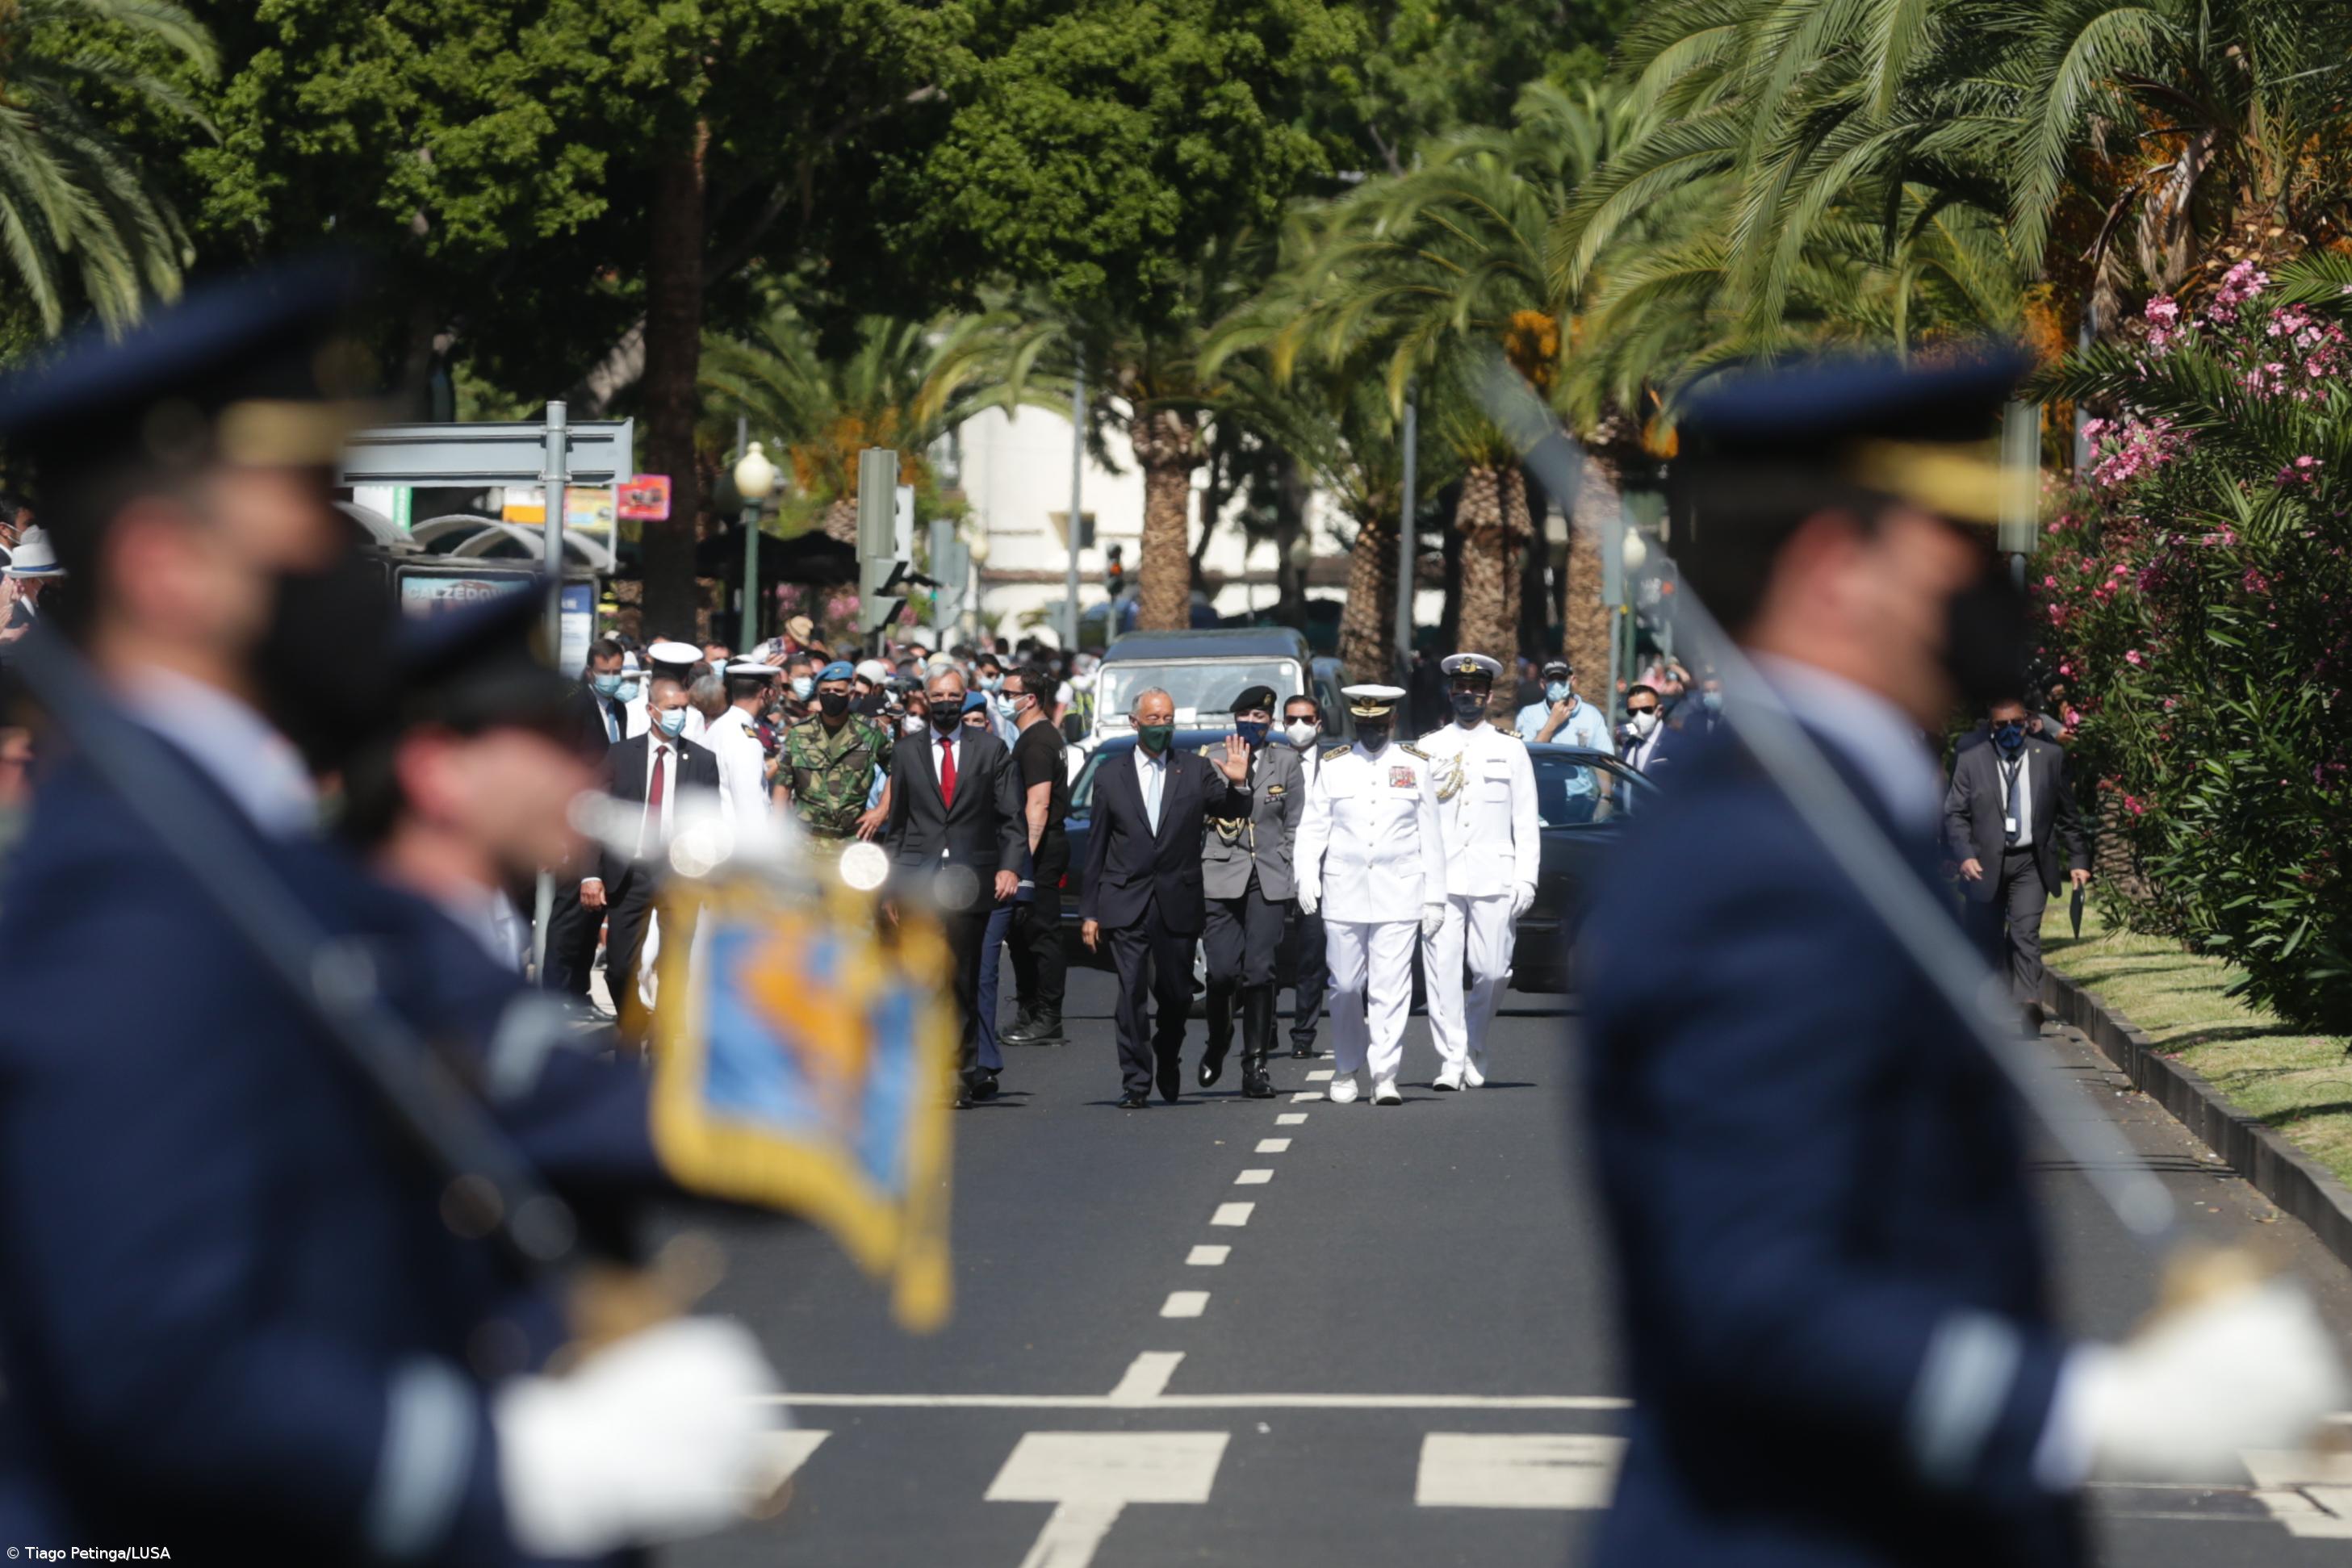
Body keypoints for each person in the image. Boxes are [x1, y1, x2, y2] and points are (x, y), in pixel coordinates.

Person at [0, 264, 778, 1561]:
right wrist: (512, 1474)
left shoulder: (227, 839)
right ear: (164, 566)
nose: (350, 548)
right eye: (305, 505)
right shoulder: (123, 896)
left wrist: (781, 1087)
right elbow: (156, 1361)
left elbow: (488, 1085)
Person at [1579, 348, 2340, 1568]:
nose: (2001, 587)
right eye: (1960, 546)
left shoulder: (1830, 813)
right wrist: (2096, 1407)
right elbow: (1751, 1288)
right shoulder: (1760, 862)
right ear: (1836, 566)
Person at [1078, 688, 1252, 1107]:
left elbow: (1233, 810)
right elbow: (1097, 846)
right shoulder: (1109, 774)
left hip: (1177, 898)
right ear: (1134, 722)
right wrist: (1090, 911)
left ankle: (1167, 1051)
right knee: (1132, 991)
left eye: (1168, 718)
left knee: (1175, 994)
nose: (1162, 726)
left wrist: (1239, 781)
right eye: (1153, 719)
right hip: (1125, 899)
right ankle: (1136, 1082)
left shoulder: (1193, 770)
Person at [1294, 684, 1446, 1106]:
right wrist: (1306, 874)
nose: (1372, 733)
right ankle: (1346, 1065)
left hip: (1399, 891)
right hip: (1344, 891)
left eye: (1379, 725)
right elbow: (1313, 827)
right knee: (1344, 985)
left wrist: (1434, 896)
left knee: (1390, 988)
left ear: (1393, 722)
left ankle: (1384, 1075)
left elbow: (1431, 836)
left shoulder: (1415, 764)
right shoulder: (1336, 764)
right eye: (1364, 725)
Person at [882, 665, 1027, 1107]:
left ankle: (959, 1071)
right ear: (926, 699)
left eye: (954, 695)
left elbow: (1011, 819)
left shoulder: (991, 750)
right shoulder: (905, 753)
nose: (946, 702)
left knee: (961, 977)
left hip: (971, 878)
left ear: (965, 698)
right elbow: (898, 823)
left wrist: (1010, 868)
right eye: (938, 696)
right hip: (917, 878)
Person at [1416, 654, 1539, 1090]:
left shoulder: (1511, 749)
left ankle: (1474, 1040)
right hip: (1442, 878)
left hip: (1494, 876)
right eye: (1460, 689)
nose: (1468, 696)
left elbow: (1525, 820)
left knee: (1491, 971)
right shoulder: (1428, 748)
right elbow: (1416, 821)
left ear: (1488, 695)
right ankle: (1451, 1059)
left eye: (1476, 690)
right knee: (1442, 972)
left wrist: (1526, 877)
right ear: (1451, 693)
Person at [1944, 696, 2091, 1029]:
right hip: (1983, 862)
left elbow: (2068, 814)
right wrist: (1965, 854)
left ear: (2026, 722)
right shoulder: (1972, 760)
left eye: (2016, 724)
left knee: (2026, 932)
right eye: (2001, 726)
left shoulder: (2049, 757)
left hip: (2031, 861)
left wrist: (2079, 860)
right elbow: (1955, 813)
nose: (2010, 731)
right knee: (1989, 937)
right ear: (1990, 727)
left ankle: (2028, 1005)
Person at [590, 671, 722, 1033]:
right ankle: (633, 1020)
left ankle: (667, 1036)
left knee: (676, 962)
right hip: (629, 874)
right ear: (652, 710)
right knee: (618, 966)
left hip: (679, 877)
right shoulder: (619, 756)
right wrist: (592, 873)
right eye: (671, 707)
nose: (679, 714)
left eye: (684, 707)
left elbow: (711, 823)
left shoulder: (701, 761)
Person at [1197, 683, 1307, 1099]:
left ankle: (1255, 1065)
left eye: (1260, 717)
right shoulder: (1211, 758)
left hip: (1270, 876)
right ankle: (1218, 1040)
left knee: (1261, 971)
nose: (1252, 723)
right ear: (1235, 720)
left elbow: (1296, 823)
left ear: (1271, 722)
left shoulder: (1286, 762)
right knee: (1222, 972)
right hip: (1221, 874)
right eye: (1245, 717)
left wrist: (1294, 872)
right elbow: (1201, 814)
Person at [539, 635, 630, 999]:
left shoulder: (619, 709)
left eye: (618, 671)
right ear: (591, 671)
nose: (612, 677)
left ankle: (578, 992)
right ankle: (555, 995)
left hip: (605, 818)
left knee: (594, 912)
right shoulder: (574, 704)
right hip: (575, 819)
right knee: (570, 912)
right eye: (606, 672)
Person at [1000, 663, 1073, 1048]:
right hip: (1036, 849)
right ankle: (1029, 1009)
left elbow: (1038, 804)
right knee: (1023, 931)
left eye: (1009, 694)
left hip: (1040, 851)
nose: (1003, 700)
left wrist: (1019, 860)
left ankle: (1048, 1015)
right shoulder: (1034, 737)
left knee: (1041, 932)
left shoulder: (1038, 742)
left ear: (1029, 699)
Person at [779, 659, 894, 847]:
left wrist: (882, 810)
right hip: (803, 843)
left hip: (850, 842)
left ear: (851, 694)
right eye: (826, 692)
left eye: (839, 691)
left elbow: (897, 769)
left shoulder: (869, 732)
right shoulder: (799, 733)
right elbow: (783, 784)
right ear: (818, 693)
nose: (832, 696)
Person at [1279, 692, 1330, 1058]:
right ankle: (1263, 1032)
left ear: (1319, 723)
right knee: (1262, 958)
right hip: (1275, 868)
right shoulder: (1270, 760)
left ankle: (1303, 1036)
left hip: (1318, 871)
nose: (1299, 727)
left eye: (1307, 719)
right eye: (1292, 720)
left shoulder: (1334, 763)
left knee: (1311, 957)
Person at [1516, 658, 1613, 821]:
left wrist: (1605, 798)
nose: (1556, 684)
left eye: (1561, 679)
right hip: (1540, 805)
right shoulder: (1529, 714)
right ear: (1543, 683)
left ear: (1572, 680)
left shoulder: (1591, 715)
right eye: (1551, 680)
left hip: (1582, 803)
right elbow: (1524, 759)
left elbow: (1603, 759)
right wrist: (1552, 724)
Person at [707, 661, 777, 838]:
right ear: (765, 693)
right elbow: (750, 807)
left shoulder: (719, 726)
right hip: (739, 845)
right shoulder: (746, 739)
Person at [1618, 683, 1667, 773]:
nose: (1639, 716)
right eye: (1633, 712)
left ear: (1659, 711)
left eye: (1646, 710)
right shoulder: (1629, 745)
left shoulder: (1675, 744)